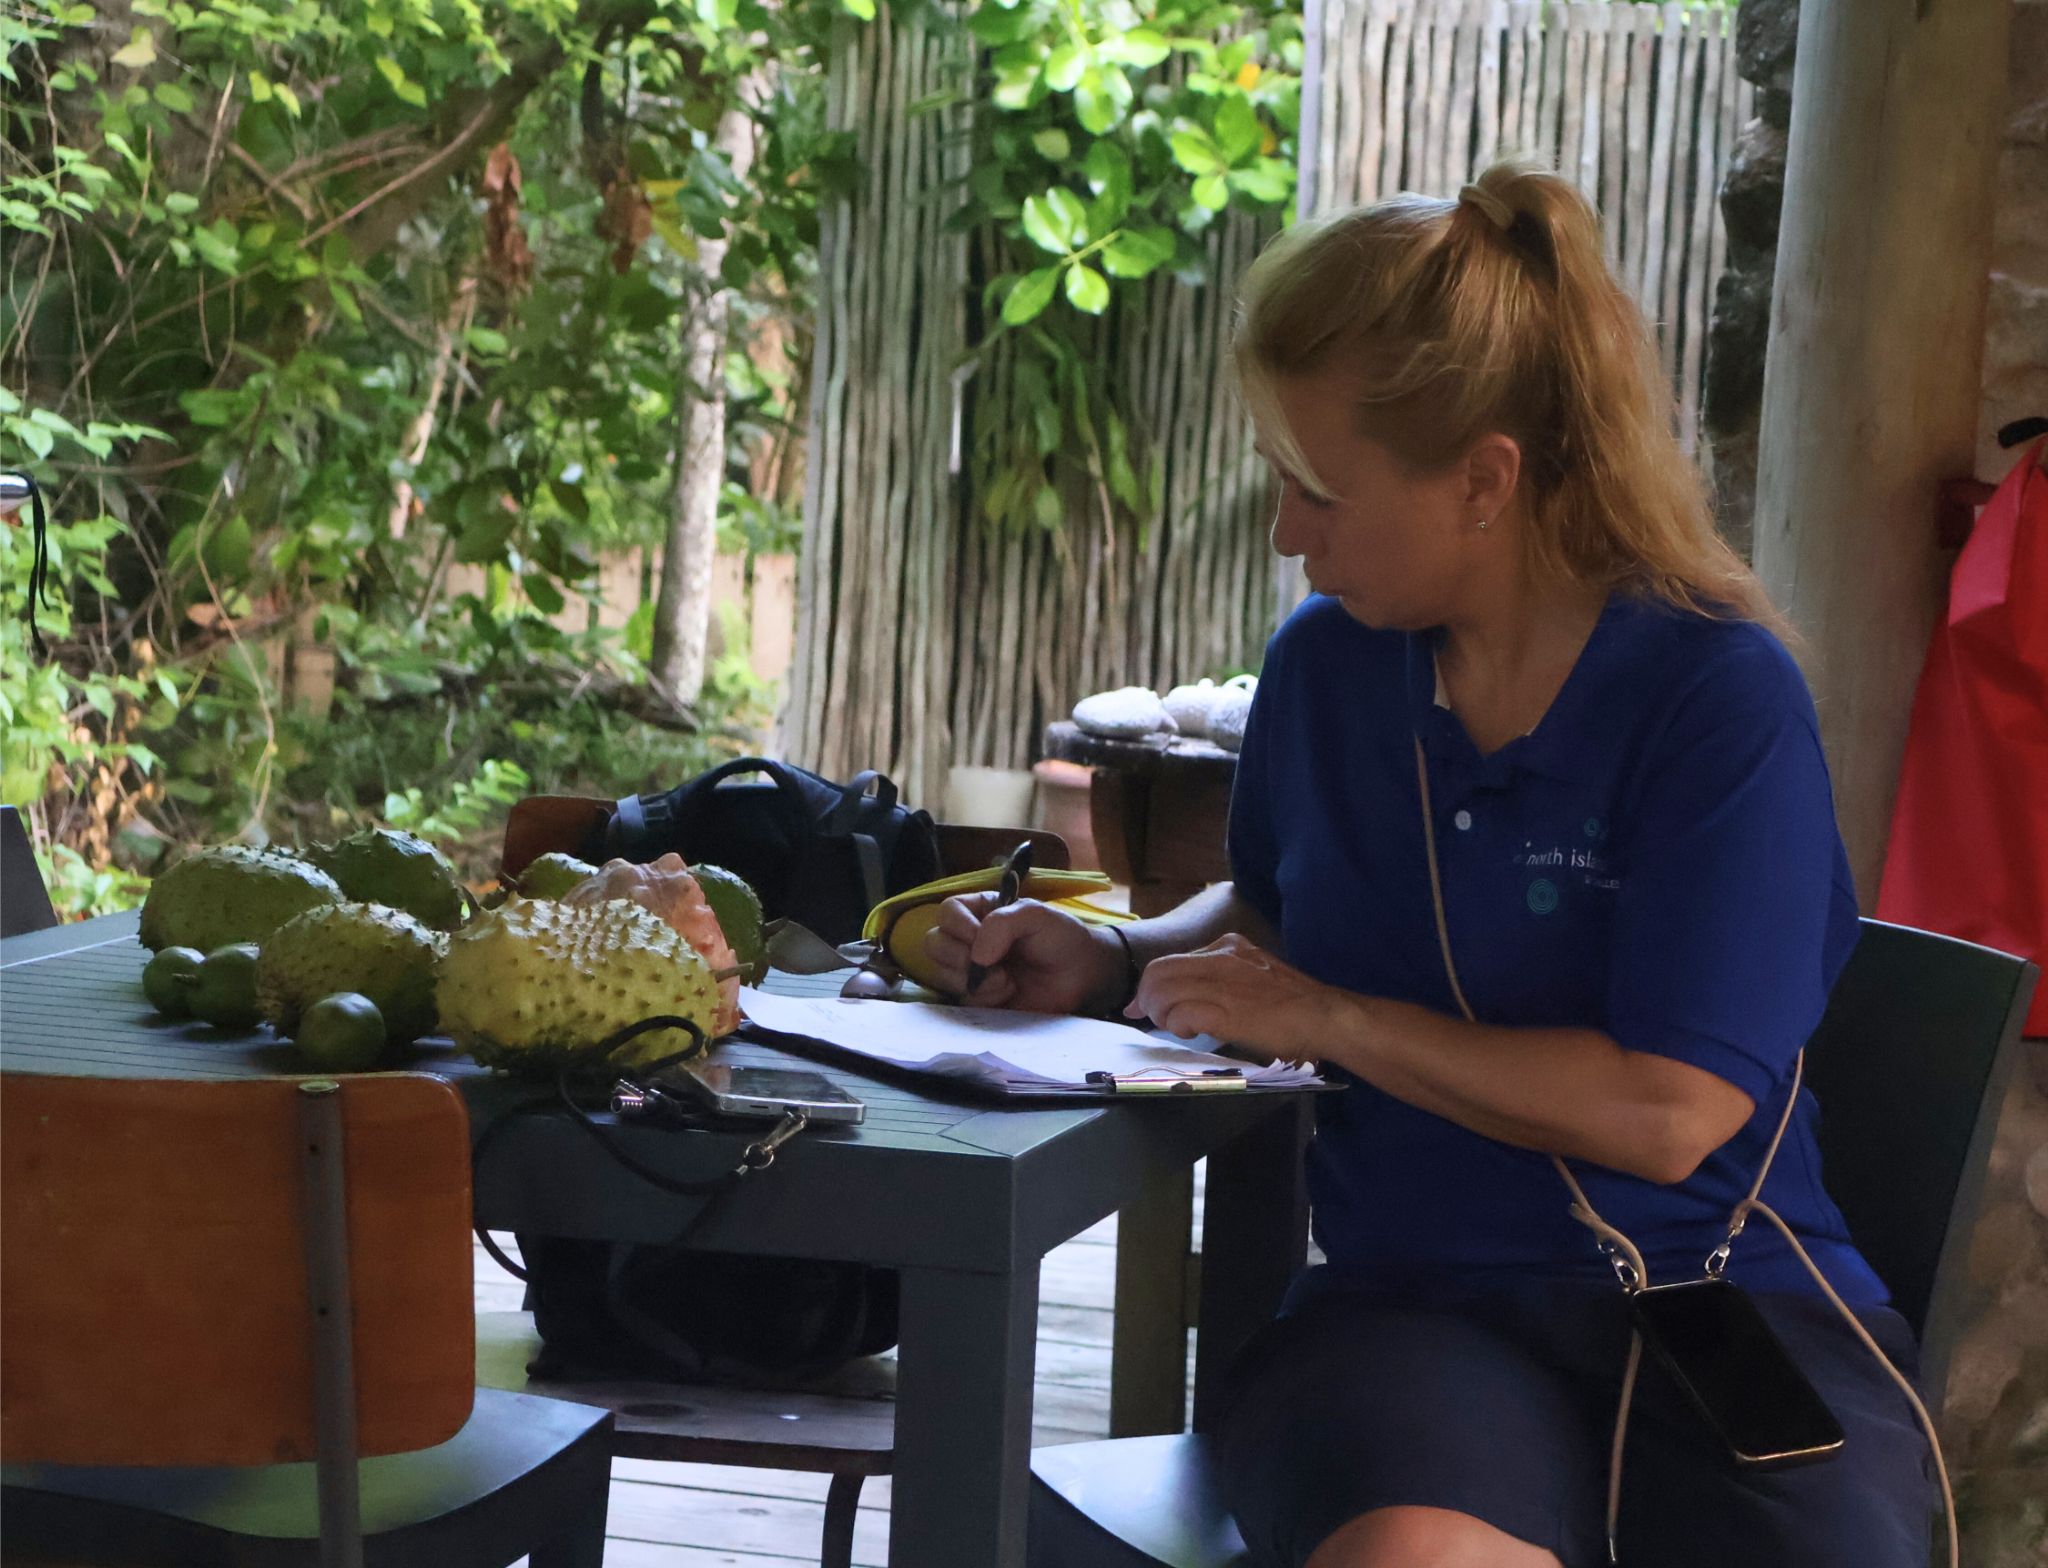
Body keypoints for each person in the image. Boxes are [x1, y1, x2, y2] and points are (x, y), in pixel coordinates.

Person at [922, 158, 1937, 1568]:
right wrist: (1121, 958)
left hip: (1721, 1298)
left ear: (1484, 481)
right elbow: (1281, 917)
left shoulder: (1713, 695)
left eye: (1319, 491)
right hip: (1417, 1308)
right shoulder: (1329, 670)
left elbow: (1664, 1112)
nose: (1287, 533)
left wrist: (1335, 1023)